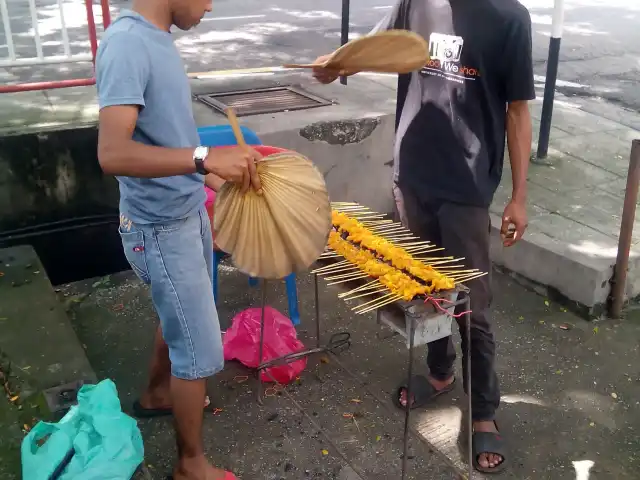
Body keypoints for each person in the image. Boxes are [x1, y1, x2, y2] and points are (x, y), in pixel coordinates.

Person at [312, 0, 535, 473]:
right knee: (424, 287)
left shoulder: (510, 17)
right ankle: (439, 372)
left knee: (472, 303)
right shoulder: (414, 2)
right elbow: (373, 49)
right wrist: (336, 65)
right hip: (412, 171)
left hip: (468, 185)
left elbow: (517, 111)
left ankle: (484, 412)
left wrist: (519, 194)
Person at [95, 0, 262, 477]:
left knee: (180, 318)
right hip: (160, 227)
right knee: (201, 349)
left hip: (180, 214)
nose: (211, 4)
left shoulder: (156, 37)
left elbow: (164, 135)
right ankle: (191, 465)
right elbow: (113, 152)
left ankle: (157, 393)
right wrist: (205, 159)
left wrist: (209, 180)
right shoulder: (128, 43)